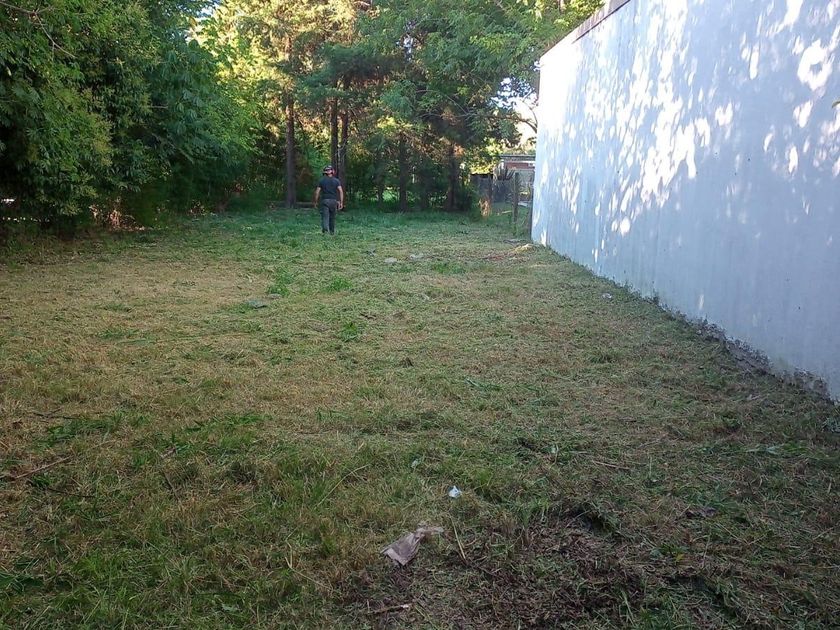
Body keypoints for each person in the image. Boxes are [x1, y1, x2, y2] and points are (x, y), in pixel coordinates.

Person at [313, 165, 344, 235]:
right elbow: (341, 191)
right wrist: (341, 202)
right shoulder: (336, 181)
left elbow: (317, 192)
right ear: (332, 171)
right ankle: (332, 232)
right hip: (333, 201)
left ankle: (325, 232)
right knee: (332, 218)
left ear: (325, 172)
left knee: (325, 217)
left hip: (325, 201)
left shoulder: (321, 181)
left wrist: (315, 202)